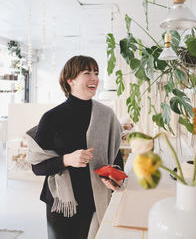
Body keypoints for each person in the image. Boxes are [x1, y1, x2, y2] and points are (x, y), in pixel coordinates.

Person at [26, 55, 124, 239]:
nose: (94, 78)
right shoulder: (51, 118)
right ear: (70, 80)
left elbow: (116, 157)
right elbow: (37, 166)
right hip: (63, 204)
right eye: (87, 73)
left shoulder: (107, 115)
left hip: (96, 200)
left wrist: (114, 176)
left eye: (96, 73)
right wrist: (67, 159)